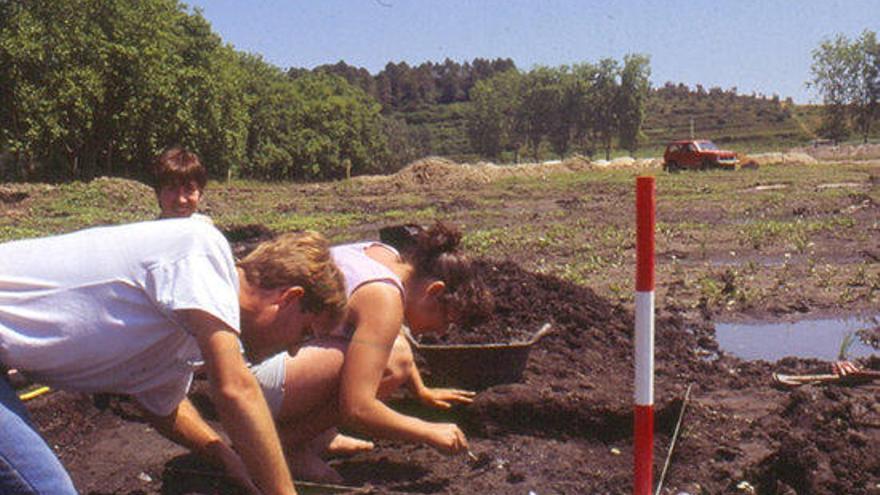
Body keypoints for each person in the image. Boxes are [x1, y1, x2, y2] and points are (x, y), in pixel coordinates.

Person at [0, 218, 346, 495]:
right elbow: (236, 389)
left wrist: (224, 456)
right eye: (303, 333)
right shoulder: (200, 251)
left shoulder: (185, 333)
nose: (295, 350)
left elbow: (164, 406)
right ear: (289, 299)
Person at [249, 221, 494, 482]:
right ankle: (280, 446)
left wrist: (420, 390)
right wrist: (429, 431)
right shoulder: (384, 297)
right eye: (447, 320)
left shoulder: (384, 255)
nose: (442, 331)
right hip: (250, 384)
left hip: (245, 362)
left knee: (385, 354)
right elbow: (357, 409)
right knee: (390, 363)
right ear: (435, 291)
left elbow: (387, 335)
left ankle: (316, 436)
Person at [151, 146, 208, 220]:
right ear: (158, 193)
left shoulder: (206, 228)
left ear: (200, 194)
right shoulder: (147, 231)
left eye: (189, 189)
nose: (181, 199)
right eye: (172, 189)